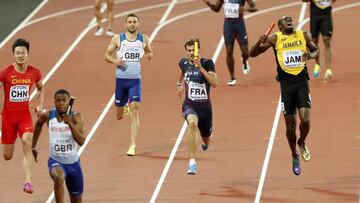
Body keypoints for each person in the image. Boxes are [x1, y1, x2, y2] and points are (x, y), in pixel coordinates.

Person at [249, 16, 319, 176]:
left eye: (291, 20)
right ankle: (294, 154)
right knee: (290, 127)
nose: (290, 21)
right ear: (280, 26)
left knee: (306, 119)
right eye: (286, 20)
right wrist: (259, 42)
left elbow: (316, 49)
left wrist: (312, 55)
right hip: (287, 87)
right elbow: (252, 54)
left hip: (302, 84)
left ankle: (301, 142)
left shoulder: (303, 35)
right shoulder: (275, 39)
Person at [104, 13, 153, 156]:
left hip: (135, 81)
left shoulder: (144, 38)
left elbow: (149, 52)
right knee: (119, 116)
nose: (132, 24)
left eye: (135, 22)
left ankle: (132, 145)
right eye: (130, 22)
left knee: (135, 109)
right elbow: (106, 55)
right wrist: (115, 61)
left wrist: (150, 55)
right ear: (125, 24)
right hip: (121, 81)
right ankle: (123, 107)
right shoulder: (118, 39)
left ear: (138, 24)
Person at [0, 38, 43, 194]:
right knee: (7, 156)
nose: (20, 55)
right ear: (13, 55)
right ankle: (12, 140)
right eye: (17, 53)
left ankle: (28, 182)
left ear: (27, 53)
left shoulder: (34, 72)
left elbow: (40, 88)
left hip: (24, 116)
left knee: (27, 142)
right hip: (8, 119)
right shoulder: (5, 73)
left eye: (23, 52)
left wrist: (40, 104)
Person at [32, 89, 85, 203]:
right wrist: (33, 146)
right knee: (59, 176)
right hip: (56, 161)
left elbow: (81, 141)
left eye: (64, 100)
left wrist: (70, 124)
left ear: (68, 102)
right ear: (54, 102)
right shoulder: (48, 115)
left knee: (77, 200)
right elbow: (38, 124)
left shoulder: (76, 117)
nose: (61, 103)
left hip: (73, 165)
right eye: (58, 100)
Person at [177, 38, 218, 175]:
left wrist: (200, 67)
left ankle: (207, 139)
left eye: (193, 50)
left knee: (205, 138)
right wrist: (179, 84)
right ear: (186, 51)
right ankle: (192, 162)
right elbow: (182, 73)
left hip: (205, 109)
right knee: (192, 124)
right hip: (190, 105)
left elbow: (214, 83)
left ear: (198, 50)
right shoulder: (183, 63)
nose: (190, 53)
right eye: (188, 51)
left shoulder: (207, 63)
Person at [203, 0, 258, 86]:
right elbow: (216, 9)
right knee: (229, 50)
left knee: (246, 52)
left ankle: (244, 60)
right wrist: (208, 3)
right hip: (228, 25)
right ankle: (232, 78)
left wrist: (244, 9)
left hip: (239, 25)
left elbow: (254, 8)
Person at [302, 0, 335, 81]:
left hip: (326, 15)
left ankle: (328, 69)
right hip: (314, 16)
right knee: (314, 41)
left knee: (326, 40)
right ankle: (318, 63)